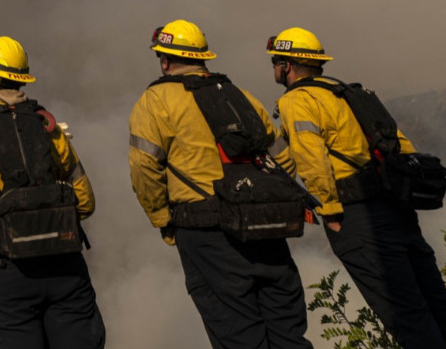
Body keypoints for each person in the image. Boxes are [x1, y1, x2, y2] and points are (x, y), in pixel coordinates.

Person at [268, 27, 446, 349]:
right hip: (397, 209)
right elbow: (402, 145)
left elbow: (311, 159)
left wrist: (330, 213)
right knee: (442, 309)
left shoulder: (296, 101)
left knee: (408, 319)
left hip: (358, 219)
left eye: (275, 62)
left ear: (286, 65)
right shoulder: (349, 93)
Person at [129, 20, 312, 349]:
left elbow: (144, 167)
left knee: (237, 333)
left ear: (165, 60)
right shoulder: (237, 94)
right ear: (203, 58)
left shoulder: (154, 100)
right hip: (263, 225)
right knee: (287, 331)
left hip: (205, 230)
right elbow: (282, 158)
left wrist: (162, 220)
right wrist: (272, 203)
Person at [0, 36, 105, 349]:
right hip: (66, 270)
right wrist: (50, 228)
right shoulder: (46, 123)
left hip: (3, 274)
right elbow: (85, 201)